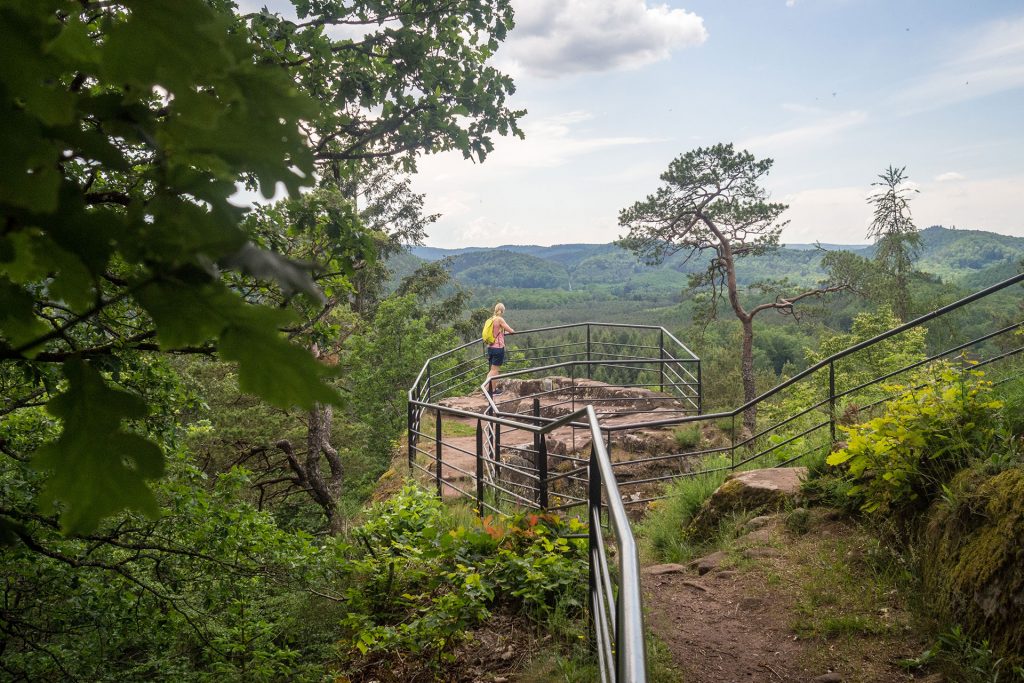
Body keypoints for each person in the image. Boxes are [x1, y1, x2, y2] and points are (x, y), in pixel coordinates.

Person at [486, 302, 514, 395]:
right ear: (502, 310)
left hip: (490, 347)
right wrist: (512, 331)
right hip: (498, 348)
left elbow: (495, 332)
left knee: (494, 369)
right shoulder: (499, 319)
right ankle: (487, 389)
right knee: (494, 370)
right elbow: (511, 331)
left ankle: (493, 390)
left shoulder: (491, 319)